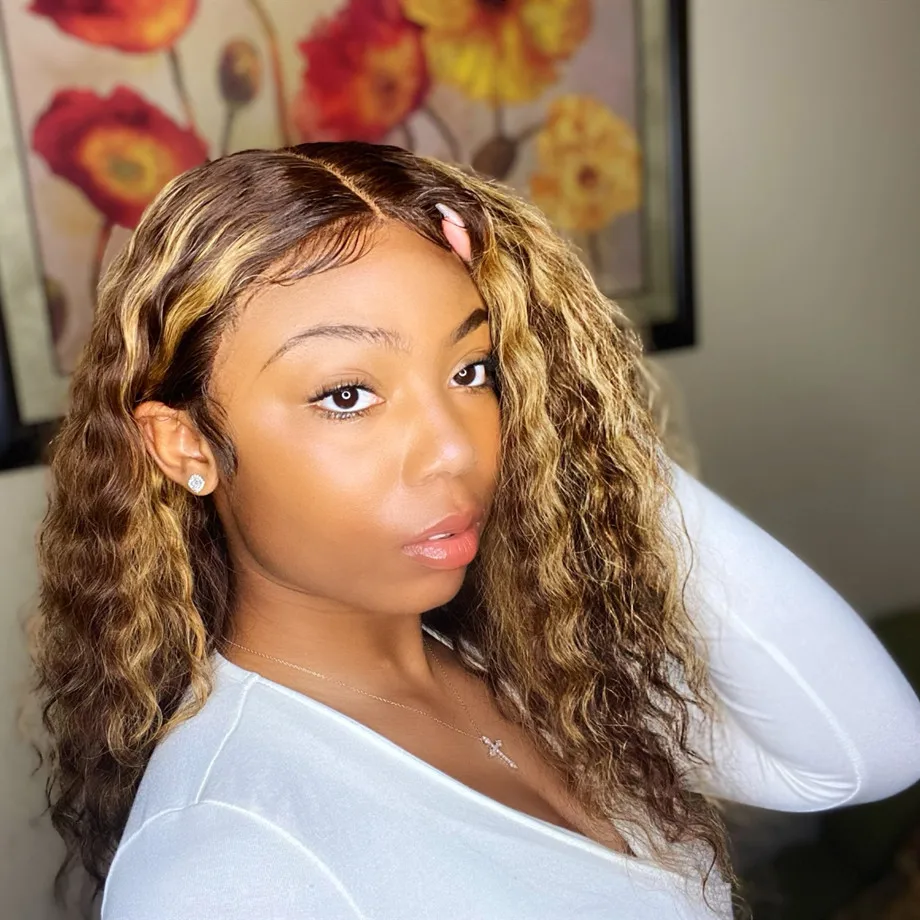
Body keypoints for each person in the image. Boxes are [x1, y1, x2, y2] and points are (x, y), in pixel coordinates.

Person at [32, 142, 920, 920]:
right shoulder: (224, 860)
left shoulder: (531, 662)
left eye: (474, 369)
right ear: (185, 445)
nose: (456, 451)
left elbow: (866, 753)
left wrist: (582, 426)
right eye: (348, 394)